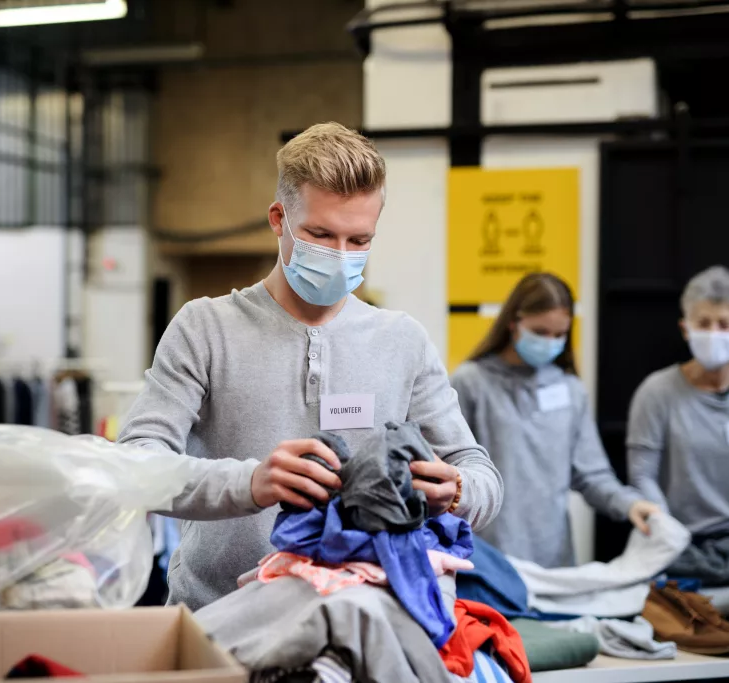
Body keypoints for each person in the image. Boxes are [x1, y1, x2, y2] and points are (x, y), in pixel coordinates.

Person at [118, 122, 503, 611]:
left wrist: (457, 492)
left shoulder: (402, 340)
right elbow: (135, 463)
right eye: (320, 234)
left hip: (360, 620)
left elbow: (479, 473)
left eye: (359, 240)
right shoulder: (205, 328)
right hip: (216, 617)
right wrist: (250, 482)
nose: (341, 257)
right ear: (279, 219)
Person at [450, 272, 659, 568]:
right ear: (513, 322)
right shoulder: (471, 382)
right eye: (540, 331)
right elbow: (452, 471)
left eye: (559, 335)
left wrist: (630, 504)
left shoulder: (570, 389)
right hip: (487, 557)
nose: (550, 342)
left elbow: (591, 474)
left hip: (554, 558)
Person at [627, 266, 729, 580]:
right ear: (685, 328)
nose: (713, 333)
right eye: (703, 323)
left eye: (724, 324)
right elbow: (642, 475)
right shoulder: (656, 392)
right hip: (677, 545)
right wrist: (667, 532)